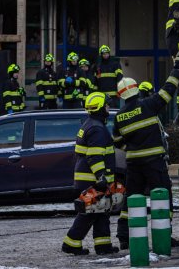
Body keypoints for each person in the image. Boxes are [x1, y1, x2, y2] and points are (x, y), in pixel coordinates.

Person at [114, 51, 179, 250]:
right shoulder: (148, 105)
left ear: (121, 95)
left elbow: (116, 141)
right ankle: (164, 236)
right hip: (154, 162)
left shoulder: (119, 117)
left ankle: (123, 237)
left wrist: (132, 148)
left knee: (132, 199)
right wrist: (178, 66)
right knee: (162, 196)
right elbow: (168, 89)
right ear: (136, 90)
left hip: (133, 165)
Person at [61, 92, 119, 256]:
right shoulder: (97, 128)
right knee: (89, 213)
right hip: (93, 179)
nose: (108, 107)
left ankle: (103, 246)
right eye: (106, 105)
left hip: (88, 178)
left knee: (101, 212)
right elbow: (94, 156)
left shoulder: (90, 124)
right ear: (100, 107)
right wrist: (101, 177)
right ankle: (70, 243)